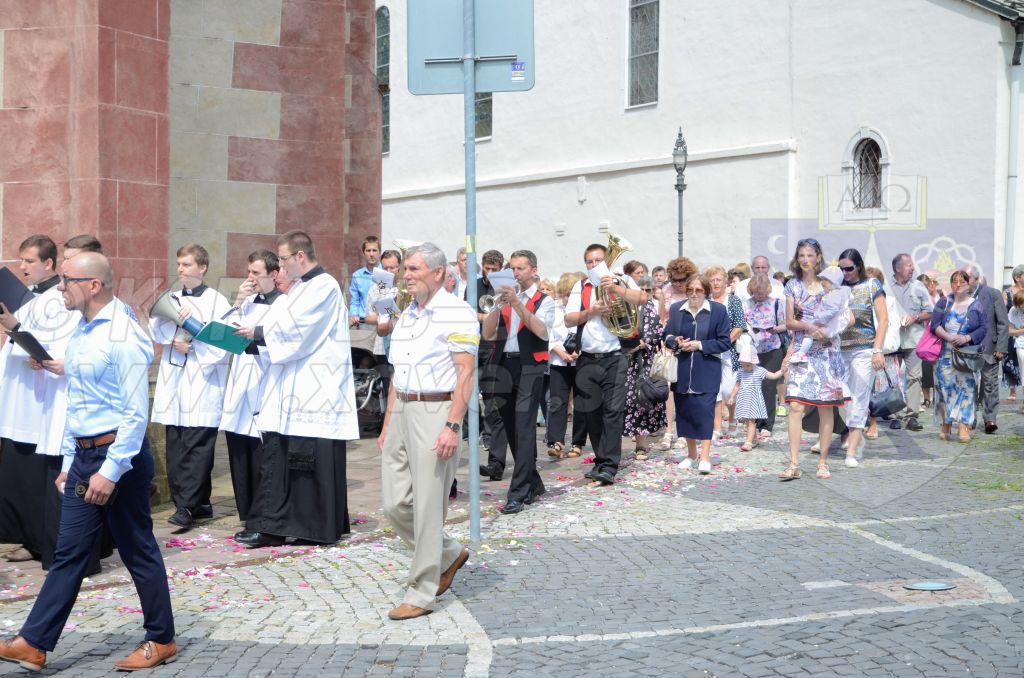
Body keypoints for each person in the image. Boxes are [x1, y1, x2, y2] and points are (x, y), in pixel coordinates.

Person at [0, 253, 176, 672]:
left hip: (120, 459)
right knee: (70, 552)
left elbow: (136, 415)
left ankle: (162, 638)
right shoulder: (81, 332)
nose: (60, 287)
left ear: (93, 285)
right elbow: (78, 406)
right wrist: (67, 462)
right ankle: (34, 642)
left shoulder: (123, 336)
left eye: (67, 280)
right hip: (83, 456)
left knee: (137, 549)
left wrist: (110, 472)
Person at [234, 230, 359, 547]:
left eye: (285, 259)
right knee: (284, 457)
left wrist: (258, 331)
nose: (282, 265)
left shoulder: (324, 286)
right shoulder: (301, 288)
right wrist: (253, 338)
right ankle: (281, 524)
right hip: (293, 384)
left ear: (300, 256)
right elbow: (284, 327)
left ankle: (309, 527)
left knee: (303, 460)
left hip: (314, 390)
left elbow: (298, 330)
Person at [378, 242, 476, 621]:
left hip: (437, 409)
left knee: (428, 505)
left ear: (438, 273)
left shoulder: (457, 312)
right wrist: (389, 422)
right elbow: (396, 372)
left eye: (415, 269)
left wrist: (452, 424)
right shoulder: (409, 315)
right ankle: (449, 554)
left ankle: (422, 590)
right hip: (403, 407)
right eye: (406, 270)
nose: (407, 276)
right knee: (394, 503)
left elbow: (466, 372)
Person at [0, 236, 81, 569]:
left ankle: (38, 539)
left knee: (36, 476)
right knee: (17, 474)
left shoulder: (60, 300)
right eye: (20, 261)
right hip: (18, 396)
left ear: (49, 263)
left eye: (29, 261)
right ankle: (26, 537)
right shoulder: (28, 297)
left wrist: (18, 329)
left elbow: (58, 344)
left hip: (40, 400)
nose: (23, 267)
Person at [150, 243, 232, 531]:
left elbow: (224, 345)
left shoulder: (218, 301)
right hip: (176, 382)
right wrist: (174, 339)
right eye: (179, 264)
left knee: (197, 448)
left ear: (202, 268)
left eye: (186, 265)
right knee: (176, 446)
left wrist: (194, 344)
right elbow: (157, 328)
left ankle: (185, 507)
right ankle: (201, 503)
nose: (181, 270)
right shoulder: (171, 298)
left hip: (203, 382)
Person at [564, 243, 649, 485]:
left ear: (606, 262)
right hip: (587, 357)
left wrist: (617, 290)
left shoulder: (620, 280)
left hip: (614, 356)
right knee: (591, 413)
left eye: (598, 260)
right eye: (589, 262)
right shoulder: (580, 286)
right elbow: (569, 320)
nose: (593, 265)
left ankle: (610, 465)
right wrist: (591, 311)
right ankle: (601, 460)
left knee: (613, 412)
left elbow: (643, 298)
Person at [483, 250, 555, 514]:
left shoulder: (543, 300)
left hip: (530, 366)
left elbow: (542, 331)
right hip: (503, 365)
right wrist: (496, 307)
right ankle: (533, 482)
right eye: (512, 269)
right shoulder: (502, 300)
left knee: (525, 427)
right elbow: (487, 333)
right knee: (511, 428)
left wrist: (517, 304)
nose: (515, 273)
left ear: (533, 270)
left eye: (520, 269)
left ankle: (518, 492)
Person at [219, 250, 282, 538]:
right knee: (239, 453)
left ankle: (262, 517)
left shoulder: (283, 304)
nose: (250, 278)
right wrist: (237, 302)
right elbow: (224, 333)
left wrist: (255, 338)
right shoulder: (248, 302)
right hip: (241, 382)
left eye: (255, 273)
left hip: (264, 381)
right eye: (249, 272)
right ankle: (247, 515)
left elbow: (284, 343)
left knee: (260, 456)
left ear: (273, 274)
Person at [780, 238, 850, 481]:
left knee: (825, 407)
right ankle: (794, 463)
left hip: (827, 350)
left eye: (810, 255)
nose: (805, 260)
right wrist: (810, 326)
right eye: (801, 255)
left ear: (818, 257)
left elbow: (846, 314)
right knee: (796, 406)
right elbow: (789, 321)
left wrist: (831, 329)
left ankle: (823, 462)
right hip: (802, 349)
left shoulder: (829, 284)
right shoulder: (792, 286)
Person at [663, 274, 732, 473]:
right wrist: (674, 341)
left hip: (707, 369)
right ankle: (691, 454)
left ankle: (705, 456)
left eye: (698, 290)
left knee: (704, 412)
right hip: (682, 369)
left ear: (706, 292)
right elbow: (667, 334)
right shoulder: (677, 309)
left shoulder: (718, 310)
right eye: (690, 290)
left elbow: (724, 342)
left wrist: (699, 345)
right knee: (685, 413)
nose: (694, 294)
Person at [837, 250, 887, 467]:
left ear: (858, 266)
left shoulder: (871, 285)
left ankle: (853, 449)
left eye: (849, 268)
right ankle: (852, 435)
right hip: (838, 350)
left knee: (858, 398)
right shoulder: (837, 287)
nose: (845, 273)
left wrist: (877, 349)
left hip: (864, 350)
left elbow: (884, 320)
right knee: (840, 398)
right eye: (842, 268)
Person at [931, 270, 987, 442]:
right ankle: (946, 423)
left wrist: (966, 338)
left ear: (968, 283)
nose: (958, 284)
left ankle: (964, 426)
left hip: (966, 354)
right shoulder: (944, 302)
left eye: (962, 281)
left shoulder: (976, 304)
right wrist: (949, 338)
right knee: (945, 390)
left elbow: (984, 328)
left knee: (967, 389)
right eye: (954, 281)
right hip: (946, 353)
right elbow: (935, 325)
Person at [656, 256, 699, 451]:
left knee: (686, 389)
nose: (677, 284)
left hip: (690, 343)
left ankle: (686, 432)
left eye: (681, 280)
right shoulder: (666, 291)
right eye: (674, 279)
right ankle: (668, 430)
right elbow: (661, 319)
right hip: (670, 343)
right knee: (669, 390)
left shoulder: (694, 292)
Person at [624, 275, 667, 461]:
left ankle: (641, 446)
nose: (644, 293)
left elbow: (656, 335)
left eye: (648, 290)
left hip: (642, 363)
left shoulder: (651, 310)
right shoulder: (625, 308)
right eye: (641, 289)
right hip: (622, 362)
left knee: (642, 402)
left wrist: (639, 344)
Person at [545, 272, 587, 459]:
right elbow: (547, 335)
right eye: (565, 293)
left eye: (571, 293)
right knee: (557, 402)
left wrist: (579, 351)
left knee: (581, 404)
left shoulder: (585, 311)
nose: (568, 297)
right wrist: (560, 352)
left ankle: (578, 442)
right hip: (558, 361)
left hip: (581, 361)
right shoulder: (554, 309)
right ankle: (556, 441)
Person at [890, 253, 933, 431]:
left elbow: (930, 311)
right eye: (908, 265)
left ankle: (912, 415)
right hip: (891, 341)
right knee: (893, 378)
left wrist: (915, 317)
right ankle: (895, 414)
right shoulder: (886, 287)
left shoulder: (919, 287)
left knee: (914, 377)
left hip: (914, 340)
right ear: (898, 268)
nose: (912, 268)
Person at [742, 273, 787, 437]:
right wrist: (751, 329)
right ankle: (755, 422)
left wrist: (774, 329)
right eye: (756, 292)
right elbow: (742, 325)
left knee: (768, 385)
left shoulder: (776, 304)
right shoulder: (746, 304)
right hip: (752, 349)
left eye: (761, 292)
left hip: (772, 348)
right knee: (754, 386)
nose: (759, 295)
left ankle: (767, 424)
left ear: (768, 290)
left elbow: (785, 325)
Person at [965, 265, 1009, 433]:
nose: (962, 282)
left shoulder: (992, 294)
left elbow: (1003, 323)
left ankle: (990, 419)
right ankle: (969, 418)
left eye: (966, 279)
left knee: (989, 384)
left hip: (990, 347)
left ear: (976, 279)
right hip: (967, 349)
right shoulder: (960, 296)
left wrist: (1001, 347)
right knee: (969, 385)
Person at [706, 265, 748, 439]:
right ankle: (717, 428)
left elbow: (739, 326)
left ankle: (732, 419)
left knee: (729, 389)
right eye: (712, 280)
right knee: (714, 390)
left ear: (725, 282)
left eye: (718, 280)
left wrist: (724, 342)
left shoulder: (733, 300)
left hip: (729, 350)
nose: (715, 283)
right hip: (709, 351)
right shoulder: (705, 301)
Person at [864, 267, 906, 441]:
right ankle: (870, 421)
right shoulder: (859, 300)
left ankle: (893, 414)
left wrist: (882, 348)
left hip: (884, 350)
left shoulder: (889, 301)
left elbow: (893, 325)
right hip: (864, 349)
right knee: (869, 387)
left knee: (888, 385)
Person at [728, 334, 785, 451]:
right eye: (743, 365)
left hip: (754, 399)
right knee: (747, 422)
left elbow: (773, 376)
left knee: (751, 421)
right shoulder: (741, 372)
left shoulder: (759, 371)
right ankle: (753, 440)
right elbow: (737, 385)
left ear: (754, 362)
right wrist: (732, 397)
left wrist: (782, 371)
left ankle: (748, 442)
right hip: (744, 399)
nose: (745, 367)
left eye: (748, 365)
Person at [364, 249, 402, 366]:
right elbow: (367, 318)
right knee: (386, 382)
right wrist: (382, 317)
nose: (389, 271)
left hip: (403, 345)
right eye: (385, 268)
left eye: (392, 268)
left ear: (399, 268)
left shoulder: (408, 288)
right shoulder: (375, 288)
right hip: (382, 346)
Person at [918, 273, 942, 408]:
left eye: (930, 284)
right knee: (925, 368)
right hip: (923, 335)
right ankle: (926, 397)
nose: (929, 287)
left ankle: (938, 397)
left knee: (938, 368)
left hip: (937, 336)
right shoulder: (920, 298)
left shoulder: (940, 296)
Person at [1001, 264, 1024, 402]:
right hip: (1012, 329)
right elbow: (1003, 313)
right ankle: (1012, 389)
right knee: (1010, 361)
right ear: (1017, 277)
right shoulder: (1007, 293)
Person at [348, 235, 381, 327]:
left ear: (379, 253)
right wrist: (354, 314)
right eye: (368, 250)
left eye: (374, 250)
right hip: (363, 322)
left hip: (382, 321)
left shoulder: (386, 273)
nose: (371, 254)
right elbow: (355, 300)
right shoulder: (357, 276)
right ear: (364, 253)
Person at [1008, 288, 1024, 413]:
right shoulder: (1013, 311)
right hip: (1021, 343)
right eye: (1019, 304)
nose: (1021, 307)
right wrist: (1021, 331)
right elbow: (1010, 331)